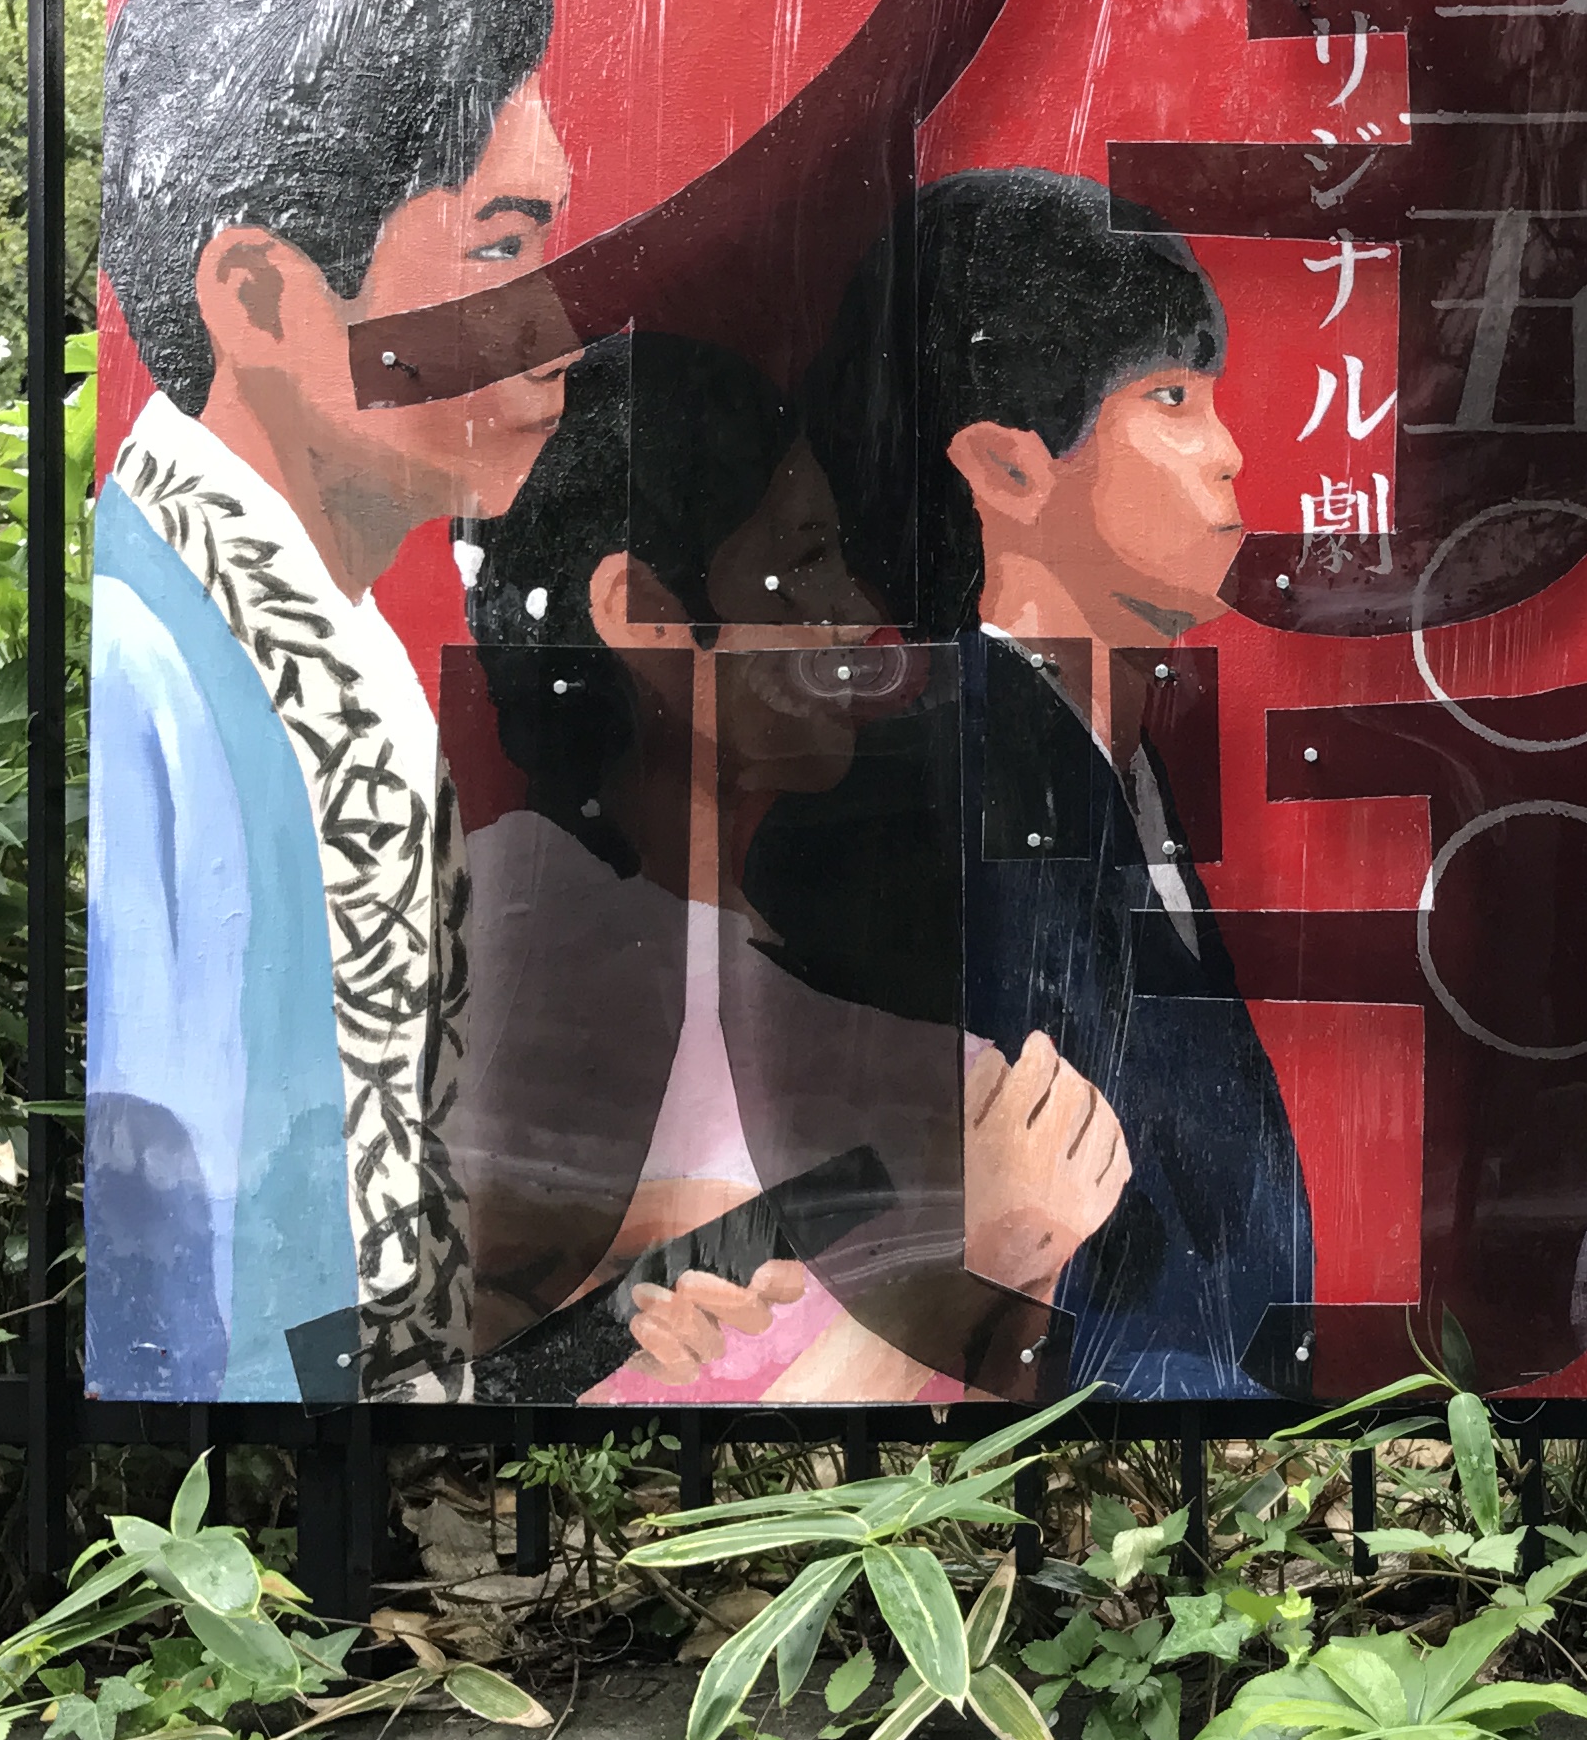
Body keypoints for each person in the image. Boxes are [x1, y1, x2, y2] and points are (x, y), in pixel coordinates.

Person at [86, 0, 569, 1408]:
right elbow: (174, 1224)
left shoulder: (323, 640)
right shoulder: (150, 666)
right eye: (500, 247)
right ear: (260, 296)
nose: (555, 330)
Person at [453, 331, 1134, 1404]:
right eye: (806, 558)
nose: (859, 617)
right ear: (643, 614)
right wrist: (995, 1251)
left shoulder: (793, 992)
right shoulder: (518, 937)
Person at [903, 168, 1317, 1409]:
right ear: (1006, 468)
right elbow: (1070, 1241)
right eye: (1172, 399)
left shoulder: (1108, 752)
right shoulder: (972, 780)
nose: (1231, 453)